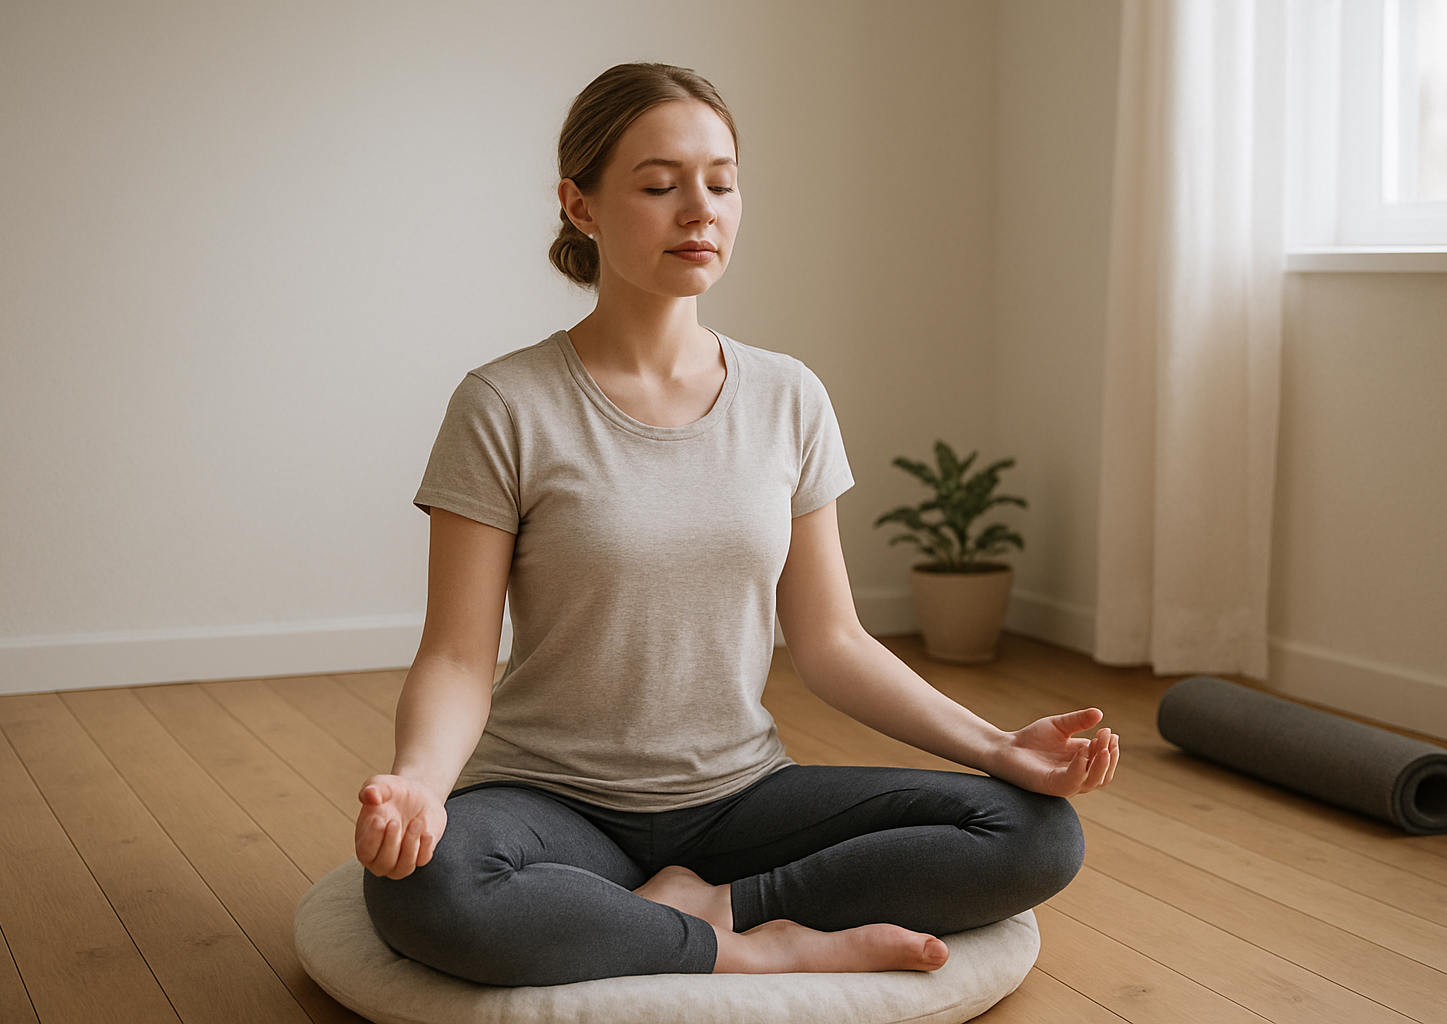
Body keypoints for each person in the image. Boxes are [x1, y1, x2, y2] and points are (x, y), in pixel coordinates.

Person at [355, 62, 1119, 988]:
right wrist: (422, 789)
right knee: (424, 889)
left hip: (740, 798)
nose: (699, 210)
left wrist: (997, 747)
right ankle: (755, 948)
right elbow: (457, 656)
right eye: (659, 184)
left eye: (720, 182)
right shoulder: (504, 405)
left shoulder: (789, 397)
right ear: (581, 205)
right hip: (554, 801)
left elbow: (832, 642)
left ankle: (719, 905)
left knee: (1034, 833)